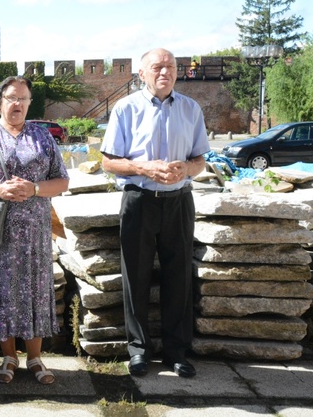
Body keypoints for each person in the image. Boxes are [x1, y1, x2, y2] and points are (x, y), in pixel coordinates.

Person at [100, 48, 210, 379]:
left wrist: (186, 169)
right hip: (139, 200)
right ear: (142, 73)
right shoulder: (125, 108)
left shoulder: (191, 109)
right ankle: (138, 351)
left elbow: (200, 161)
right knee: (136, 277)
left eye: (171, 67)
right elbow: (108, 162)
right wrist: (143, 167)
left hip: (178, 201)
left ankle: (176, 353)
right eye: (158, 67)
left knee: (179, 276)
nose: (165, 72)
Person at [0, 76, 69, 384]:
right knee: (2, 292)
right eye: (12, 98)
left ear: (29, 103)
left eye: (24, 98)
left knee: (34, 291)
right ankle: (8, 357)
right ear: (0, 101)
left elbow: (62, 181)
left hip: (34, 234)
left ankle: (35, 358)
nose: (18, 103)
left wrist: (33, 188)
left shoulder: (42, 137)